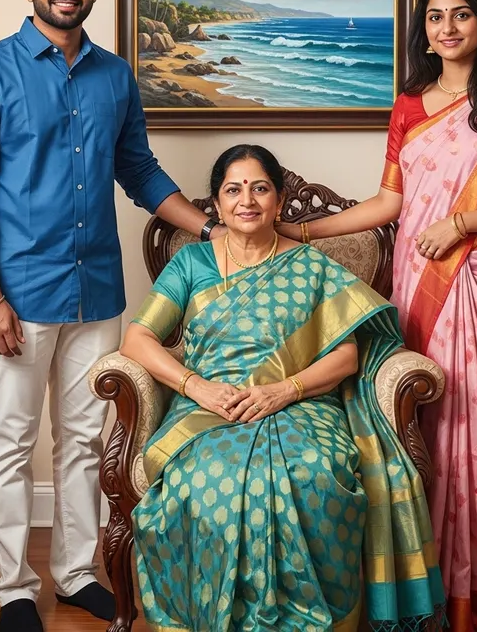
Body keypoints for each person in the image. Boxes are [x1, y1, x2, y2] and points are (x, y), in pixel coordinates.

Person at [278, 0, 477, 631]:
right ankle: (432, 590)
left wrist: (462, 224)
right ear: (424, 30)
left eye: (462, 14)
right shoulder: (409, 105)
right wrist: (301, 231)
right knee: (434, 427)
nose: (448, 28)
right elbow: (390, 201)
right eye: (435, 16)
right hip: (426, 281)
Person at [0, 0, 223, 632]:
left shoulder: (115, 76)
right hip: (16, 295)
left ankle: (74, 575)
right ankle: (15, 590)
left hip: (96, 290)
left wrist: (209, 229)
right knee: (10, 440)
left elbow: (139, 170)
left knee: (84, 441)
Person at [119, 144, 447, 632]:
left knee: (314, 474)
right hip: (209, 406)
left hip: (301, 404)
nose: (246, 200)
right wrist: (198, 387)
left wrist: (285, 391)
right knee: (204, 480)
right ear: (217, 204)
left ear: (277, 201)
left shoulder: (311, 265)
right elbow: (136, 339)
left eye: (260, 188)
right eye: (233, 190)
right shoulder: (191, 263)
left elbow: (347, 357)